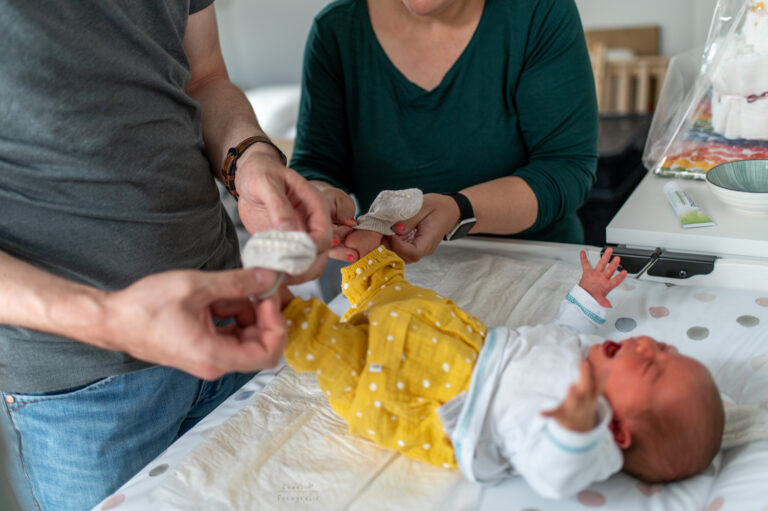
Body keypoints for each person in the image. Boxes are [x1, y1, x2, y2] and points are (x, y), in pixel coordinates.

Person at [0, 2, 331, 510]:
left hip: (229, 322)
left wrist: (249, 158)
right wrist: (107, 318)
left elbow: (204, 78)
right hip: (82, 395)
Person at [281, 244, 724, 497]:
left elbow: (554, 477)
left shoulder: (591, 439)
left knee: (350, 355)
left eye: (649, 366)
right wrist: (588, 296)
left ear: (621, 431)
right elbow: (559, 334)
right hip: (471, 344)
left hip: (439, 402)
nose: (645, 344)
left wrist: (575, 429)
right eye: (662, 346)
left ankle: (285, 319)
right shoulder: (592, 359)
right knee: (407, 303)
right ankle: (369, 270)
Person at [290, 0, 599, 263]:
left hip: (534, 264)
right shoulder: (336, 31)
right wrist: (319, 197)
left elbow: (565, 168)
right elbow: (317, 166)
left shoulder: (538, 12)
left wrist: (458, 210)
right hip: (398, 277)